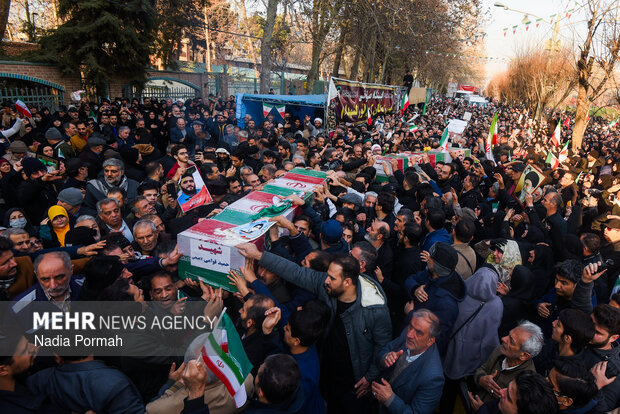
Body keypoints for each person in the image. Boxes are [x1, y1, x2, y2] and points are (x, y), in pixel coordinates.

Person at [237, 242, 391, 414]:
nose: (326, 281)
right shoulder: (326, 285)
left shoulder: (375, 309)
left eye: (332, 278)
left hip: (353, 383)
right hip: (326, 369)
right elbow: (295, 272)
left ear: (347, 282)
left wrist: (370, 377)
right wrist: (258, 255)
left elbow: (382, 345)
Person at [373, 309, 444, 414]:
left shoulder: (433, 378)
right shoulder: (407, 333)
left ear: (430, 341)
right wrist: (385, 358)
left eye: (419, 333)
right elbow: (384, 350)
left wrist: (390, 399)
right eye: (410, 326)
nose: (409, 335)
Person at [405, 242, 466, 356]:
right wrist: (415, 289)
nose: (427, 258)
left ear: (438, 266)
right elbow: (410, 279)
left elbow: (435, 339)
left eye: (431, 258)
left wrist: (410, 314)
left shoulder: (447, 305)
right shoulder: (430, 273)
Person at [472, 321, 543, 404]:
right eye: (508, 335)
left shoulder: (526, 382)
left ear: (524, 355)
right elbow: (483, 369)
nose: (503, 338)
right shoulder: (500, 351)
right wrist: (481, 379)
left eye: (511, 341)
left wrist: (483, 409)